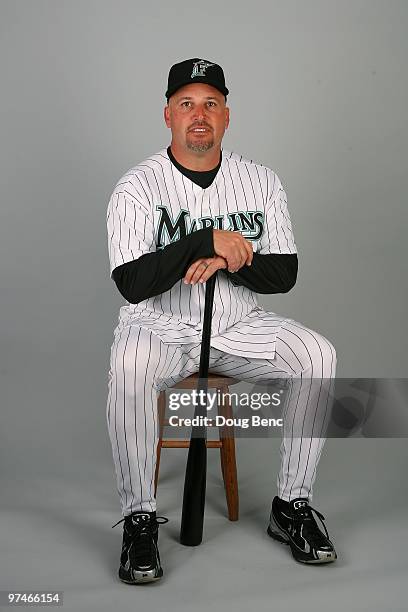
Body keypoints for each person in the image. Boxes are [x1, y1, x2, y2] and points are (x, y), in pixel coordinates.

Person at [106, 58, 337, 584]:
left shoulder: (260, 180)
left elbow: (285, 274)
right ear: (168, 115)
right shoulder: (137, 186)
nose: (199, 115)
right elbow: (133, 282)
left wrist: (237, 256)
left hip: (237, 327)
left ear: (227, 115)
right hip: (157, 327)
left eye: (211, 103)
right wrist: (204, 241)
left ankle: (292, 505)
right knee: (128, 369)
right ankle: (140, 516)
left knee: (317, 356)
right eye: (186, 103)